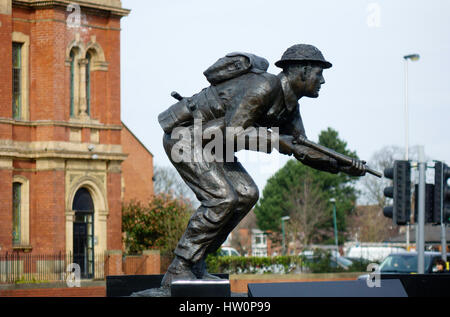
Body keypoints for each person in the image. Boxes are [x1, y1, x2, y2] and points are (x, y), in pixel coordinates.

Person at [159, 44, 367, 287]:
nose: (322, 81)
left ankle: (197, 261)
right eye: (319, 73)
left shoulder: (290, 107)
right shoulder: (265, 86)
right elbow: (233, 133)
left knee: (247, 194)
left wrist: (341, 166)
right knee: (223, 198)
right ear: (302, 71)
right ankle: (179, 267)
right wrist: (276, 140)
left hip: (212, 143)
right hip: (185, 139)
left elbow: (303, 149)